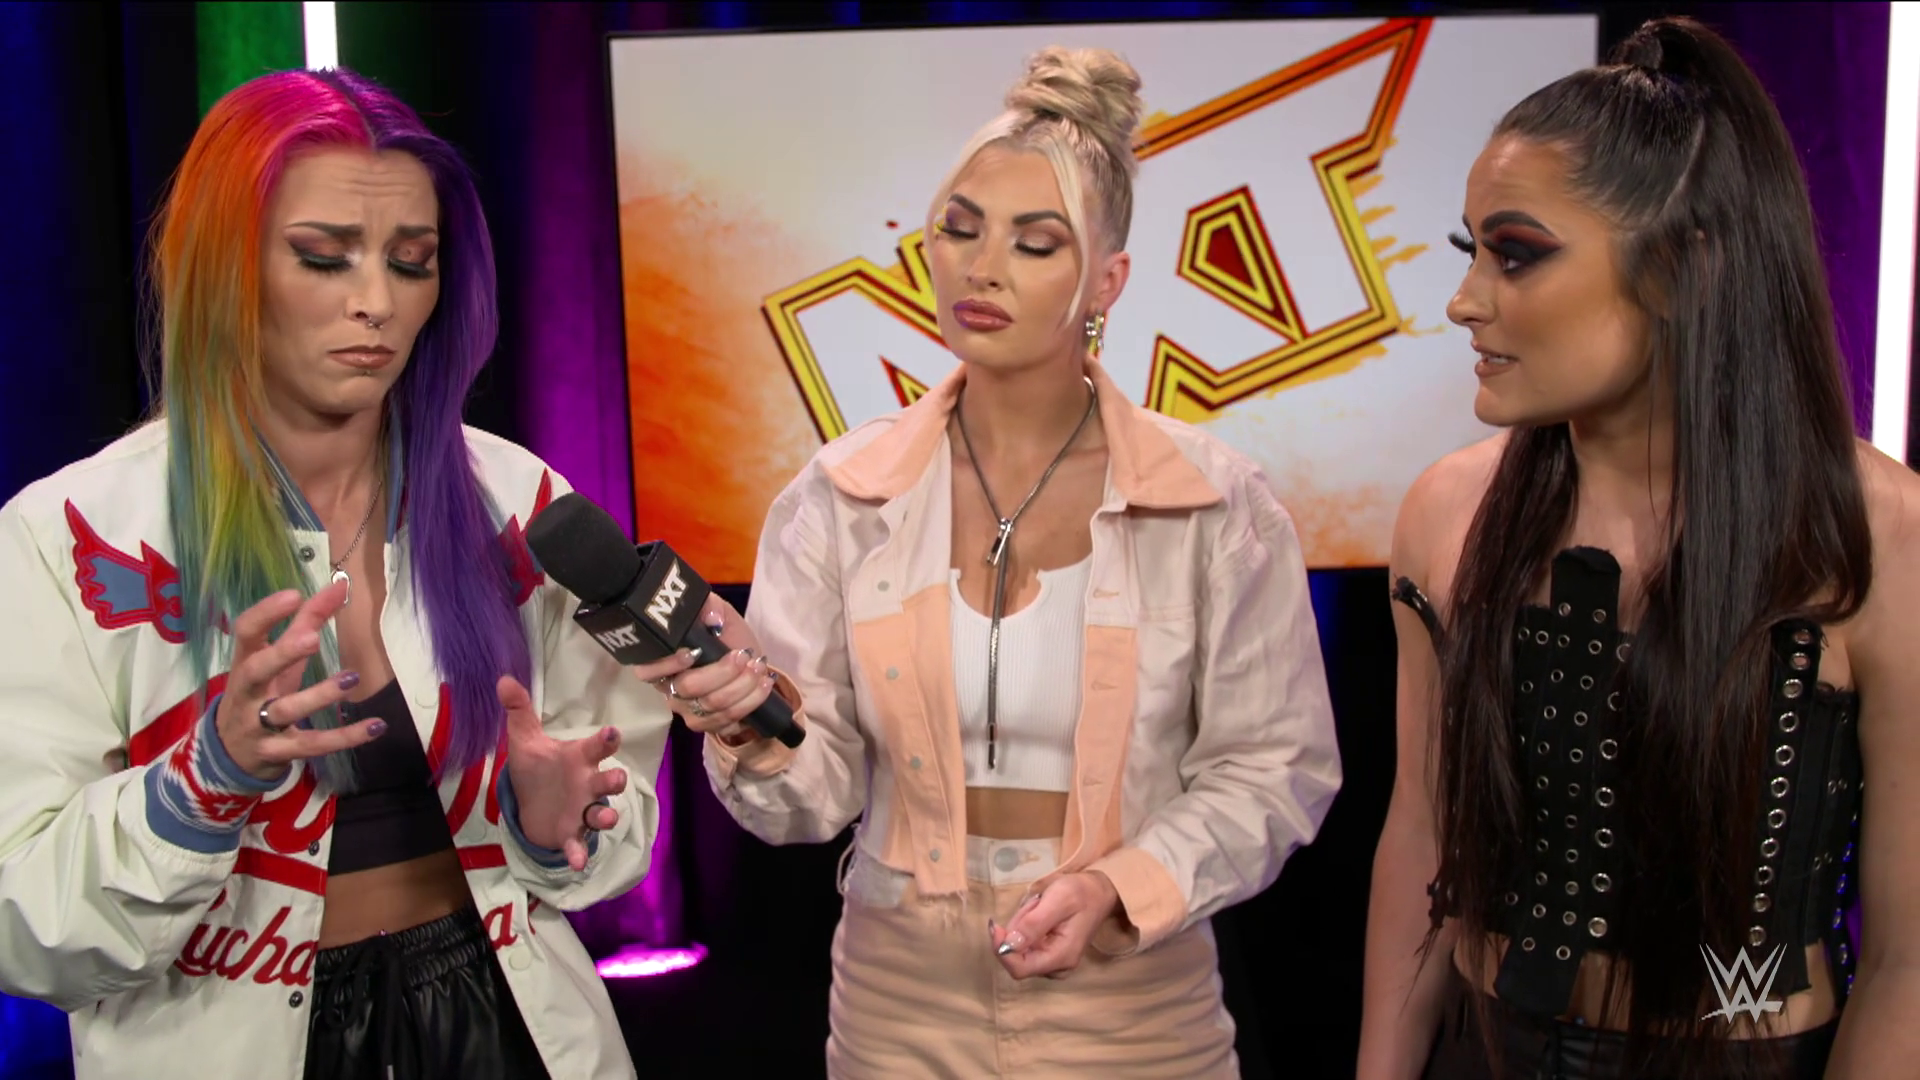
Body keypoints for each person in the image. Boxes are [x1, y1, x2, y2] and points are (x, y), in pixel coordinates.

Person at [633, 45, 1342, 1078]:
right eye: (959, 230)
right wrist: (749, 717)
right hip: (898, 1006)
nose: (982, 266)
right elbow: (811, 801)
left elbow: (1275, 768)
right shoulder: (840, 496)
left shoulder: (1215, 503)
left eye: (1034, 242)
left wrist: (1121, 888)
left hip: (1134, 1013)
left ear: (1107, 281)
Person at [0, 68, 672, 1080]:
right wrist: (203, 782)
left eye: (412, 263)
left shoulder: (516, 497)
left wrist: (559, 825)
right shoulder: (68, 532)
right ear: (222, 268)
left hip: (514, 1025)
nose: (376, 303)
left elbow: (613, 838)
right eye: (324, 258)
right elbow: (25, 923)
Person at [1356, 16, 1920, 1080]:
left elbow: (1908, 961)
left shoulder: (1878, 533)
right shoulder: (1446, 514)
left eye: (1517, 255)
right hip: (1488, 1049)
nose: (1465, 301)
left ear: (1682, 267)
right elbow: (1420, 837)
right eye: (1471, 252)